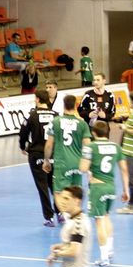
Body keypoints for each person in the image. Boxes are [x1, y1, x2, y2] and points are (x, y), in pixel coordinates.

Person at [78, 121, 130, 267]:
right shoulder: (116, 147)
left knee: (99, 221)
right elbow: (124, 169)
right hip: (111, 187)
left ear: (94, 133)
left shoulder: (90, 147)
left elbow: (82, 168)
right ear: (107, 132)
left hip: (97, 188)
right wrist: (126, 190)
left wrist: (87, 167)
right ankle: (110, 250)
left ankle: (104, 257)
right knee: (107, 217)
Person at [43, 95, 92, 223]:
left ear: (63, 105)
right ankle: (77, 217)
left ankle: (66, 217)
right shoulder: (82, 123)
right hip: (77, 163)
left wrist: (46, 160)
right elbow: (87, 145)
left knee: (58, 192)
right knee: (76, 193)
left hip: (62, 163)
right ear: (75, 105)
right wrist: (87, 163)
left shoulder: (56, 122)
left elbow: (49, 145)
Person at [20, 89, 59, 226]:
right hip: (54, 153)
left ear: (37, 99)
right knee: (54, 185)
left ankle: (49, 217)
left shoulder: (31, 115)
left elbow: (23, 133)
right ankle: (60, 213)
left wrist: (22, 146)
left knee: (42, 186)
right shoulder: (56, 115)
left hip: (37, 153)